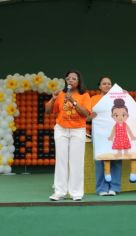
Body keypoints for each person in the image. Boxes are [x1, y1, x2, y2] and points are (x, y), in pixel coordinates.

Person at [45, 70, 91, 201]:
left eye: (74, 78)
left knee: (76, 162)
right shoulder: (60, 94)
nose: (70, 80)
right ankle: (59, 192)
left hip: (77, 130)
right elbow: (48, 111)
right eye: (68, 78)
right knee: (61, 161)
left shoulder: (85, 95)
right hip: (61, 129)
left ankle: (76, 193)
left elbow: (86, 114)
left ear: (79, 81)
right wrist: (53, 99)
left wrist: (74, 101)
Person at [90, 76, 123, 196]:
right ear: (99, 86)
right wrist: (92, 115)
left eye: (109, 83)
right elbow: (88, 116)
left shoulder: (118, 98)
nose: (107, 85)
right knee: (100, 159)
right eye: (104, 83)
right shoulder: (93, 99)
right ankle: (102, 188)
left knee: (116, 159)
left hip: (116, 132)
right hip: (99, 134)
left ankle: (115, 187)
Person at [108, 98, 136, 183]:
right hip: (118, 138)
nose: (120, 117)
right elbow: (113, 132)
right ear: (112, 116)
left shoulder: (125, 124)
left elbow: (129, 131)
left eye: (123, 115)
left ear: (127, 115)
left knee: (126, 145)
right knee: (119, 146)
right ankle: (119, 153)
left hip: (124, 137)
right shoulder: (115, 125)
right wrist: (110, 136)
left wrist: (132, 137)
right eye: (116, 115)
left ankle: (126, 152)